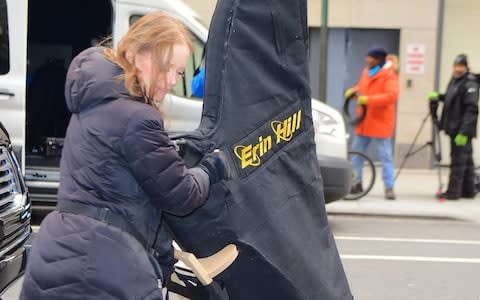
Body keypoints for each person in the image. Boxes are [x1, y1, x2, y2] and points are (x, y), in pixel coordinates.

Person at [20, 12, 230, 300]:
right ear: (134, 53)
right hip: (103, 266)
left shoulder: (95, 103)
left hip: (60, 252)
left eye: (179, 72)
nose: (170, 80)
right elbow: (180, 194)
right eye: (164, 66)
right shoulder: (137, 118)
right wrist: (211, 168)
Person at [345, 47, 400, 200]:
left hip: (380, 122)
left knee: (385, 156)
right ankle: (356, 183)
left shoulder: (390, 75)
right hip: (364, 121)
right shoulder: (366, 71)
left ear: (378, 59)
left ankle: (389, 187)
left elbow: (391, 96)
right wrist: (354, 91)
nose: (367, 60)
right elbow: (362, 88)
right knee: (357, 155)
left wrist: (368, 100)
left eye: (370, 58)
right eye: (367, 57)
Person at [428, 54, 479, 200]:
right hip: (453, 127)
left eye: (460, 66)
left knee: (457, 161)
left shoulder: (470, 84)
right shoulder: (456, 81)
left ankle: (453, 192)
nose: (457, 69)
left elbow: (471, 110)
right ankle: (468, 191)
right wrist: (439, 96)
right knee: (467, 160)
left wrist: (463, 132)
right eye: (455, 66)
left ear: (465, 67)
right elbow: (452, 98)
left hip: (461, 130)